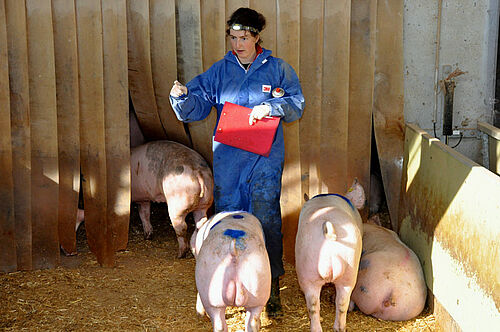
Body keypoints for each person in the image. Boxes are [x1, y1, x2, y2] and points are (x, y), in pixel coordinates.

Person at [169, 7, 304, 316]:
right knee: (229, 220)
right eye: (232, 37)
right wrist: (181, 96)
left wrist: (271, 108)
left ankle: (269, 290)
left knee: (266, 218)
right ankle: (228, 283)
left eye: (244, 37)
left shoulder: (278, 69)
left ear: (256, 37)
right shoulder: (220, 71)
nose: (238, 44)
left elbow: (296, 104)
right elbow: (196, 108)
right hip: (229, 160)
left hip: (265, 159)